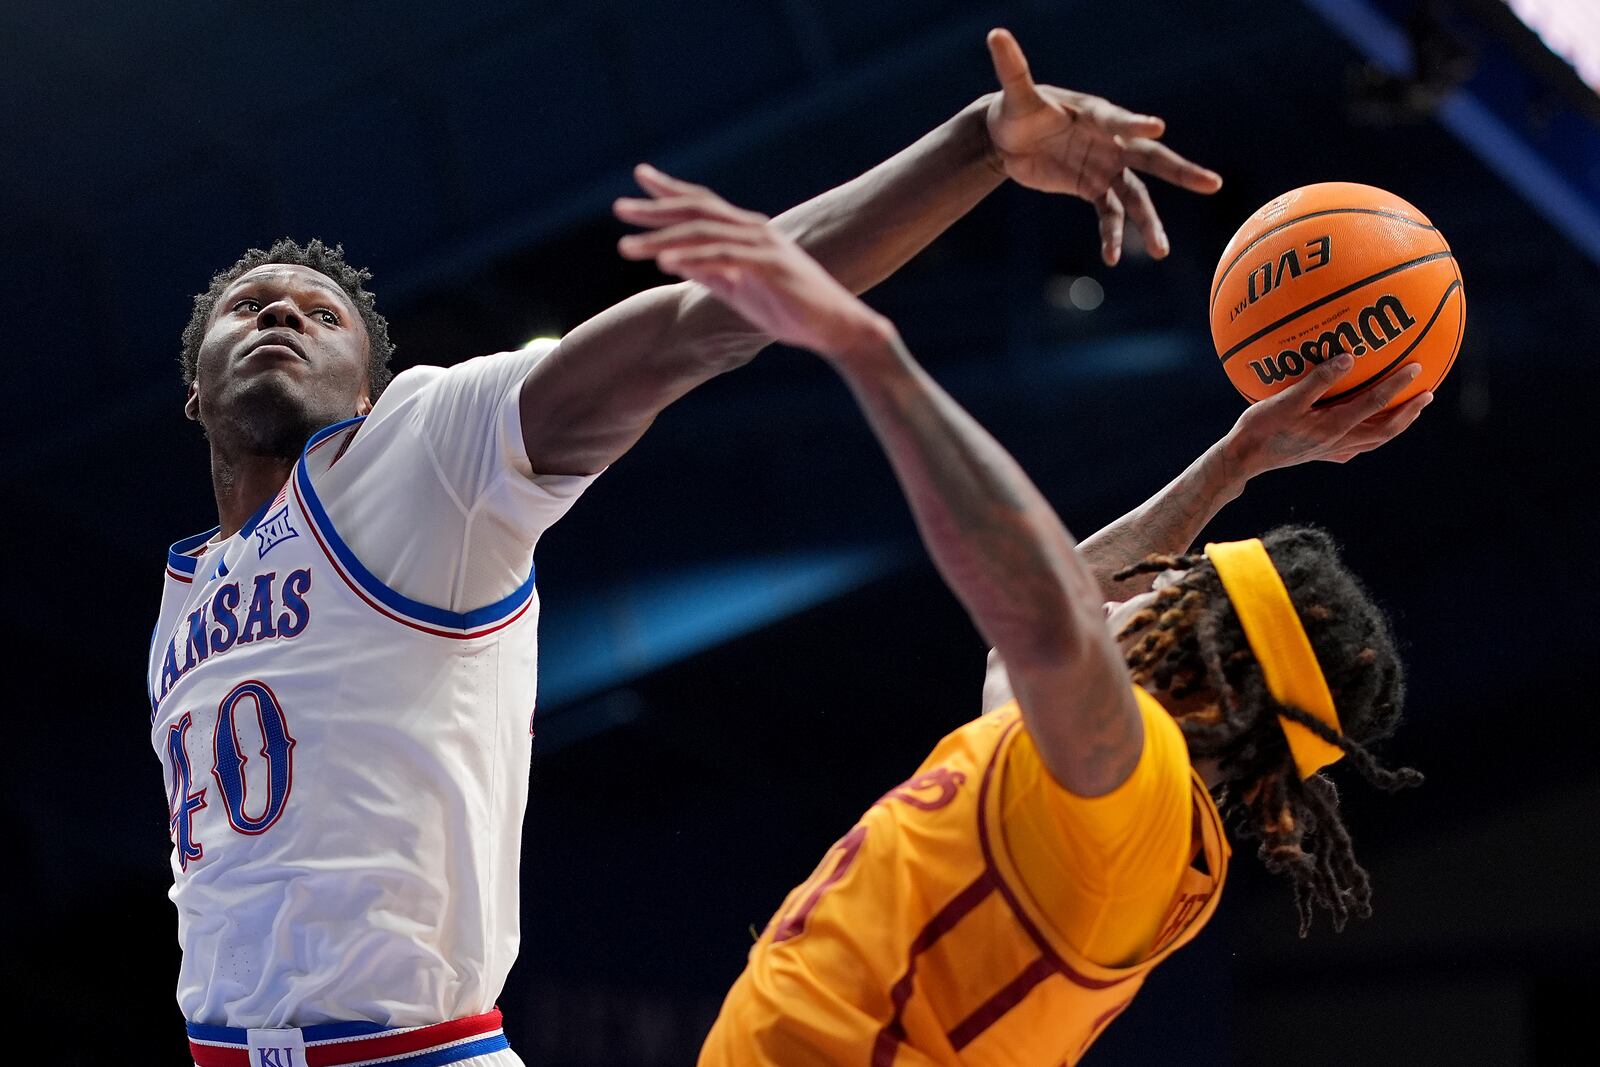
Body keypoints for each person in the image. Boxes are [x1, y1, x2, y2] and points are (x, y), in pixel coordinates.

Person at [152, 29, 1224, 1067]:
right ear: (196, 386)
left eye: (319, 312)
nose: (282, 316)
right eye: (248, 306)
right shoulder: (183, 593)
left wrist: (975, 145)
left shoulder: (423, 448)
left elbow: (699, 323)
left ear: (369, 391)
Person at [619, 152, 1428, 1067]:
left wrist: (865, 347)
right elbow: (1054, 617)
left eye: (1179, 589)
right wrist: (1233, 464)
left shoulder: (1138, 787)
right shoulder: (1122, 813)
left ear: (1204, 674)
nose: (1153, 582)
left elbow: (1044, 611)